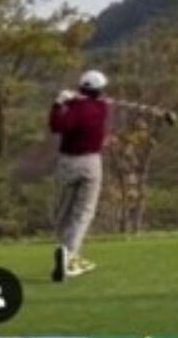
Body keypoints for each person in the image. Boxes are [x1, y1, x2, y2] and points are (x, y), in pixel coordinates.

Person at [48, 69, 111, 282]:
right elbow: (92, 105)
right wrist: (72, 102)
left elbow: (57, 126)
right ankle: (69, 256)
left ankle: (67, 253)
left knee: (64, 210)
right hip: (91, 163)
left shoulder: (75, 107)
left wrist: (59, 103)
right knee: (83, 213)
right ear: (100, 89)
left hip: (67, 162)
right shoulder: (101, 107)